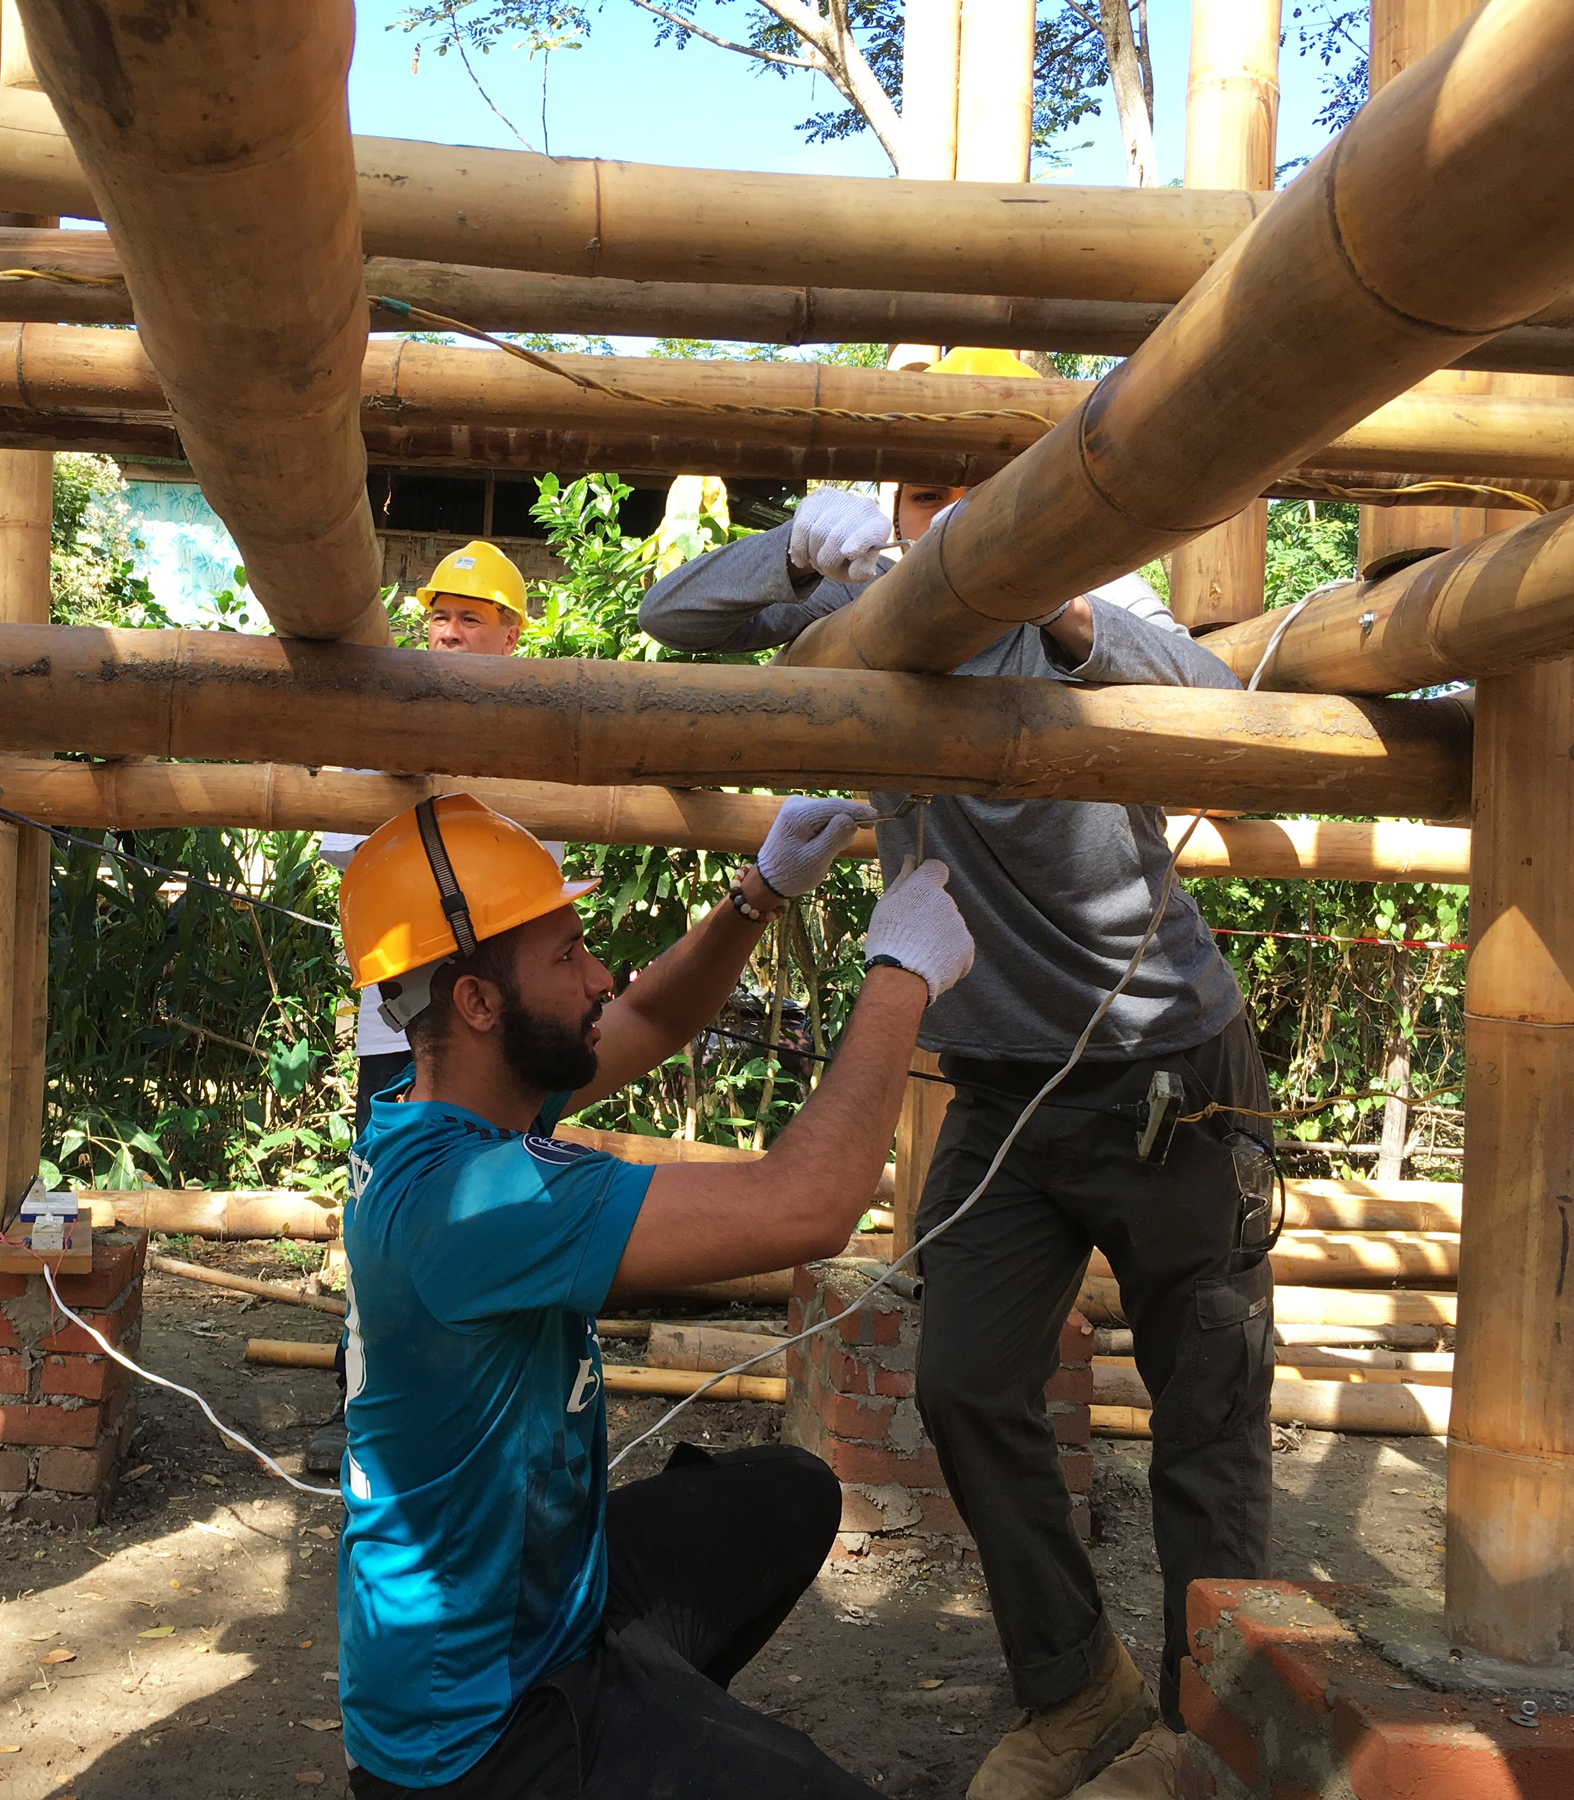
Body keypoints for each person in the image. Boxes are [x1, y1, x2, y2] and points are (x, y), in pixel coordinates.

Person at [639, 408, 1276, 1799]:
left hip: (1169, 1077)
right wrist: (800, 563)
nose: (954, 521)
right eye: (926, 490)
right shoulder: (872, 620)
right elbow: (667, 614)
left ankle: (1214, 1741)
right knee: (965, 1383)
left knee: (1205, 1422)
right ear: (892, 503)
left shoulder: (1085, 630)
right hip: (1002, 1090)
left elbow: (1228, 704)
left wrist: (1063, 605)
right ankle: (1078, 1689)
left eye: (982, 492)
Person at [333, 791, 974, 1797]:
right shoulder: (468, 1203)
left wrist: (759, 895)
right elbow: (808, 1205)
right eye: (566, 956)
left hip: (535, 1602)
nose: (596, 977)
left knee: (790, 1497)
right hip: (480, 1731)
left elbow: (646, 1017)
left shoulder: (446, 1107)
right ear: (476, 1003)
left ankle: (653, 1730)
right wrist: (901, 978)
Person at [318, 539, 557, 1134]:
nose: (448, 633)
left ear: (511, 637)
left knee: (503, 1184)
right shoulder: (380, 728)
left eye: (470, 618)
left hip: (506, 1015)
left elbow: (540, 891)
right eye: (439, 616)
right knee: (398, 1178)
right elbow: (354, 865)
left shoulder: (541, 739)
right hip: (400, 1025)